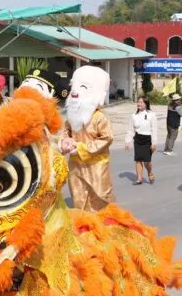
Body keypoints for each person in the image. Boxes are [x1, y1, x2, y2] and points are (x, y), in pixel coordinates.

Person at [59, 65, 115, 211]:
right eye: (73, 86)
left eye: (82, 87)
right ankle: (83, 224)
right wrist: (65, 141)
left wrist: (80, 148)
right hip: (75, 165)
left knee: (100, 198)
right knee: (78, 198)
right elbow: (66, 131)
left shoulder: (99, 118)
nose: (74, 92)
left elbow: (107, 138)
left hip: (96, 165)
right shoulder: (72, 116)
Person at [126, 96, 158, 185]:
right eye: (138, 102)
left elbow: (154, 129)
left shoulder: (151, 115)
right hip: (138, 139)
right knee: (138, 159)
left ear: (146, 104)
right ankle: (139, 179)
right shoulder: (134, 115)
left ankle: (150, 172)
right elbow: (130, 129)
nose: (139, 104)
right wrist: (127, 141)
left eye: (141, 102)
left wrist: (154, 143)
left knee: (147, 161)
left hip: (148, 140)